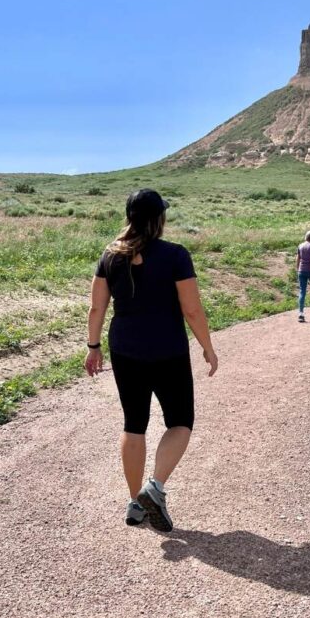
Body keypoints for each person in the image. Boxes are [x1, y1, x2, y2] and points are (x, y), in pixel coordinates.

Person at [84, 188, 218, 532]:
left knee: (134, 424)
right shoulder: (175, 255)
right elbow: (192, 309)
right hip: (167, 349)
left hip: (125, 348)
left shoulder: (110, 255)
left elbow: (97, 307)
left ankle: (135, 502)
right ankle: (154, 488)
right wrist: (207, 346)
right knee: (180, 421)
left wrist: (93, 346)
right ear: (159, 218)